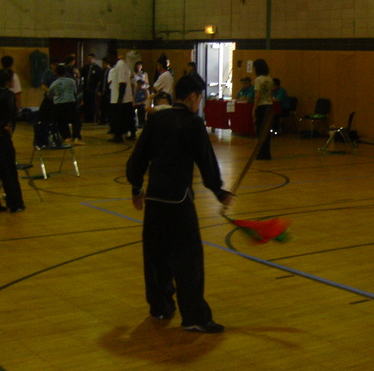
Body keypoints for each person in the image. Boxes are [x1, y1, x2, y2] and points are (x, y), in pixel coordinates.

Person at [126, 74, 233, 333]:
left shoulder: (157, 119)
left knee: (156, 256)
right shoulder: (193, 123)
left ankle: (161, 307)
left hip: (154, 199)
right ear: (193, 96)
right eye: (200, 98)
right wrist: (218, 190)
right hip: (178, 200)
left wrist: (136, 187)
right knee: (189, 259)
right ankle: (194, 316)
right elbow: (206, 161)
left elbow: (137, 158)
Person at [0, 69, 25, 213]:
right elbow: (12, 115)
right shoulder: (8, 95)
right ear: (8, 81)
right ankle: (14, 203)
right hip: (1, 138)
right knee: (8, 171)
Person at [46, 65, 84, 144]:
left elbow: (49, 95)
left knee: (61, 122)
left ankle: (67, 137)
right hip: (71, 104)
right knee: (76, 121)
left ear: (56, 73)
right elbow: (75, 92)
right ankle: (76, 137)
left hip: (58, 105)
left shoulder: (54, 83)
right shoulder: (71, 81)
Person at [108, 51, 135, 143]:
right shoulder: (120, 65)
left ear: (113, 57)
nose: (108, 61)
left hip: (120, 98)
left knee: (118, 118)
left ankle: (118, 136)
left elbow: (122, 83)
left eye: (109, 58)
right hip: (122, 98)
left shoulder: (120, 65)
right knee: (127, 117)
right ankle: (131, 134)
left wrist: (120, 99)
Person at [252, 59, 273, 160]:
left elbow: (258, 95)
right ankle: (266, 153)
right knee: (266, 131)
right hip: (269, 105)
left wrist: (254, 108)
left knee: (260, 130)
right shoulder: (269, 79)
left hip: (261, 106)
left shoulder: (258, 80)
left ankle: (261, 153)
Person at [80, 53, 103, 123]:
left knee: (93, 104)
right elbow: (80, 75)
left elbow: (100, 80)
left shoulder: (98, 69)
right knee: (86, 104)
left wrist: (98, 90)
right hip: (86, 89)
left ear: (94, 59)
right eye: (88, 59)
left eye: (90, 59)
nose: (89, 60)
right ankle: (86, 118)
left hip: (93, 90)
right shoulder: (85, 68)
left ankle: (93, 118)